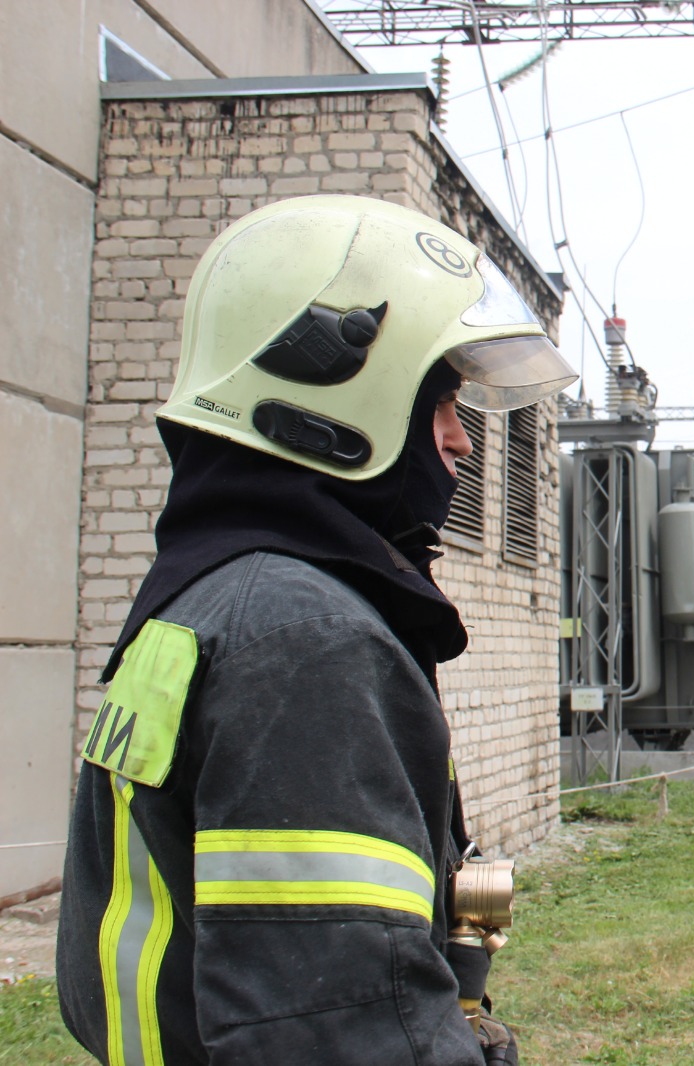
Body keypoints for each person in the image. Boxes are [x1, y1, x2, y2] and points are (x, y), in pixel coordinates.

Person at [57, 195, 577, 1065]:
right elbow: (347, 1034)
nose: (460, 442)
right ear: (325, 393)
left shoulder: (213, 600)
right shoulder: (302, 642)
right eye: (438, 401)